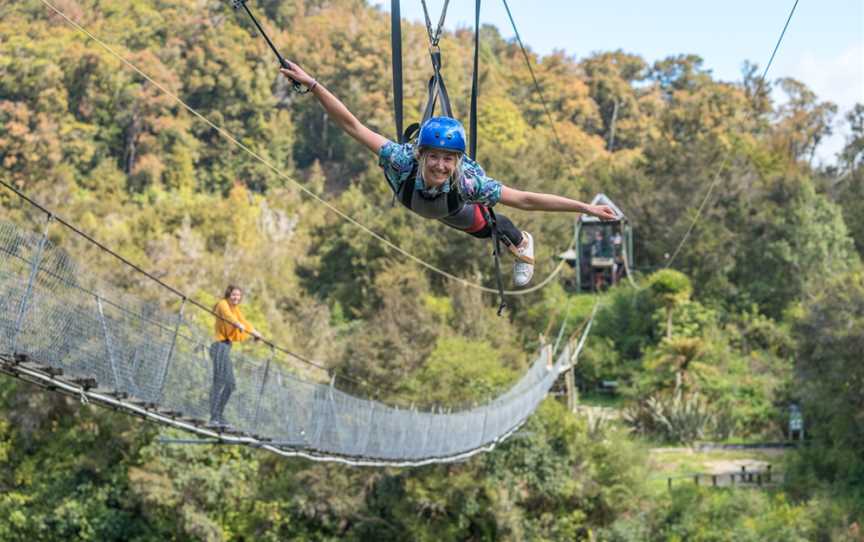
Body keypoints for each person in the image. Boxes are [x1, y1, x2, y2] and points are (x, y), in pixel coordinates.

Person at [279, 62, 618, 286]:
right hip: (420, 200)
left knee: (488, 228)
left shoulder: (467, 182)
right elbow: (352, 125)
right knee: (453, 216)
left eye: (448, 159)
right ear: (421, 153)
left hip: (452, 207)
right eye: (435, 158)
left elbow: (526, 198)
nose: (441, 166)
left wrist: (584, 208)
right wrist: (313, 86)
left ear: (458, 161)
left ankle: (520, 241)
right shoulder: (401, 160)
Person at [209, 285, 261, 428]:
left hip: (226, 347)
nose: (236, 298)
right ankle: (214, 417)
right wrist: (237, 324)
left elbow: (244, 322)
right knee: (219, 382)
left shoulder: (235, 309)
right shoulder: (222, 304)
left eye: (238, 295)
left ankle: (219, 415)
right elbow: (228, 316)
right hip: (218, 345)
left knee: (231, 384)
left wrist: (255, 332)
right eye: (234, 295)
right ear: (228, 294)